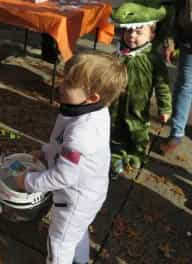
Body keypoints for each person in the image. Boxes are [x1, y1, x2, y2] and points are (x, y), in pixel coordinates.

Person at [15, 52, 127, 264]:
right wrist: (46, 152)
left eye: (69, 83)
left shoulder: (81, 134)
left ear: (92, 96)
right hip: (89, 193)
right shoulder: (91, 109)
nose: (61, 84)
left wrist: (28, 182)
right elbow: (61, 143)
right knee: (77, 232)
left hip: (74, 199)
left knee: (60, 242)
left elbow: (62, 176)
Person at [109, 0, 172, 170]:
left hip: (138, 105)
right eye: (128, 32)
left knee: (138, 130)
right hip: (116, 103)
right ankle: (117, 153)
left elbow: (162, 85)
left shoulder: (153, 59)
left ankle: (136, 153)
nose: (132, 36)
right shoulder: (118, 53)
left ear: (151, 34)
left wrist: (165, 108)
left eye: (138, 32)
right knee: (116, 126)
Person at [161, 0, 192, 154]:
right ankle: (176, 133)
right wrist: (169, 38)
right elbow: (173, 0)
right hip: (189, 34)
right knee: (185, 83)